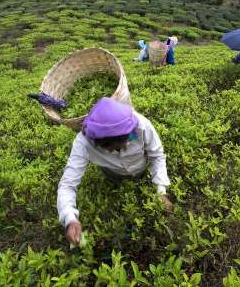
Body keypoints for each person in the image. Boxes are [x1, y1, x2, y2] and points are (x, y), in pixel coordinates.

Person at [57, 97, 173, 244]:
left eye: (122, 144)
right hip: (113, 175)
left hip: (143, 169)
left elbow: (156, 156)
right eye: (111, 148)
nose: (118, 150)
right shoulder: (83, 143)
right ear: (98, 142)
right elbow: (67, 185)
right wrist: (70, 218)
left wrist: (161, 191)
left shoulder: (141, 125)